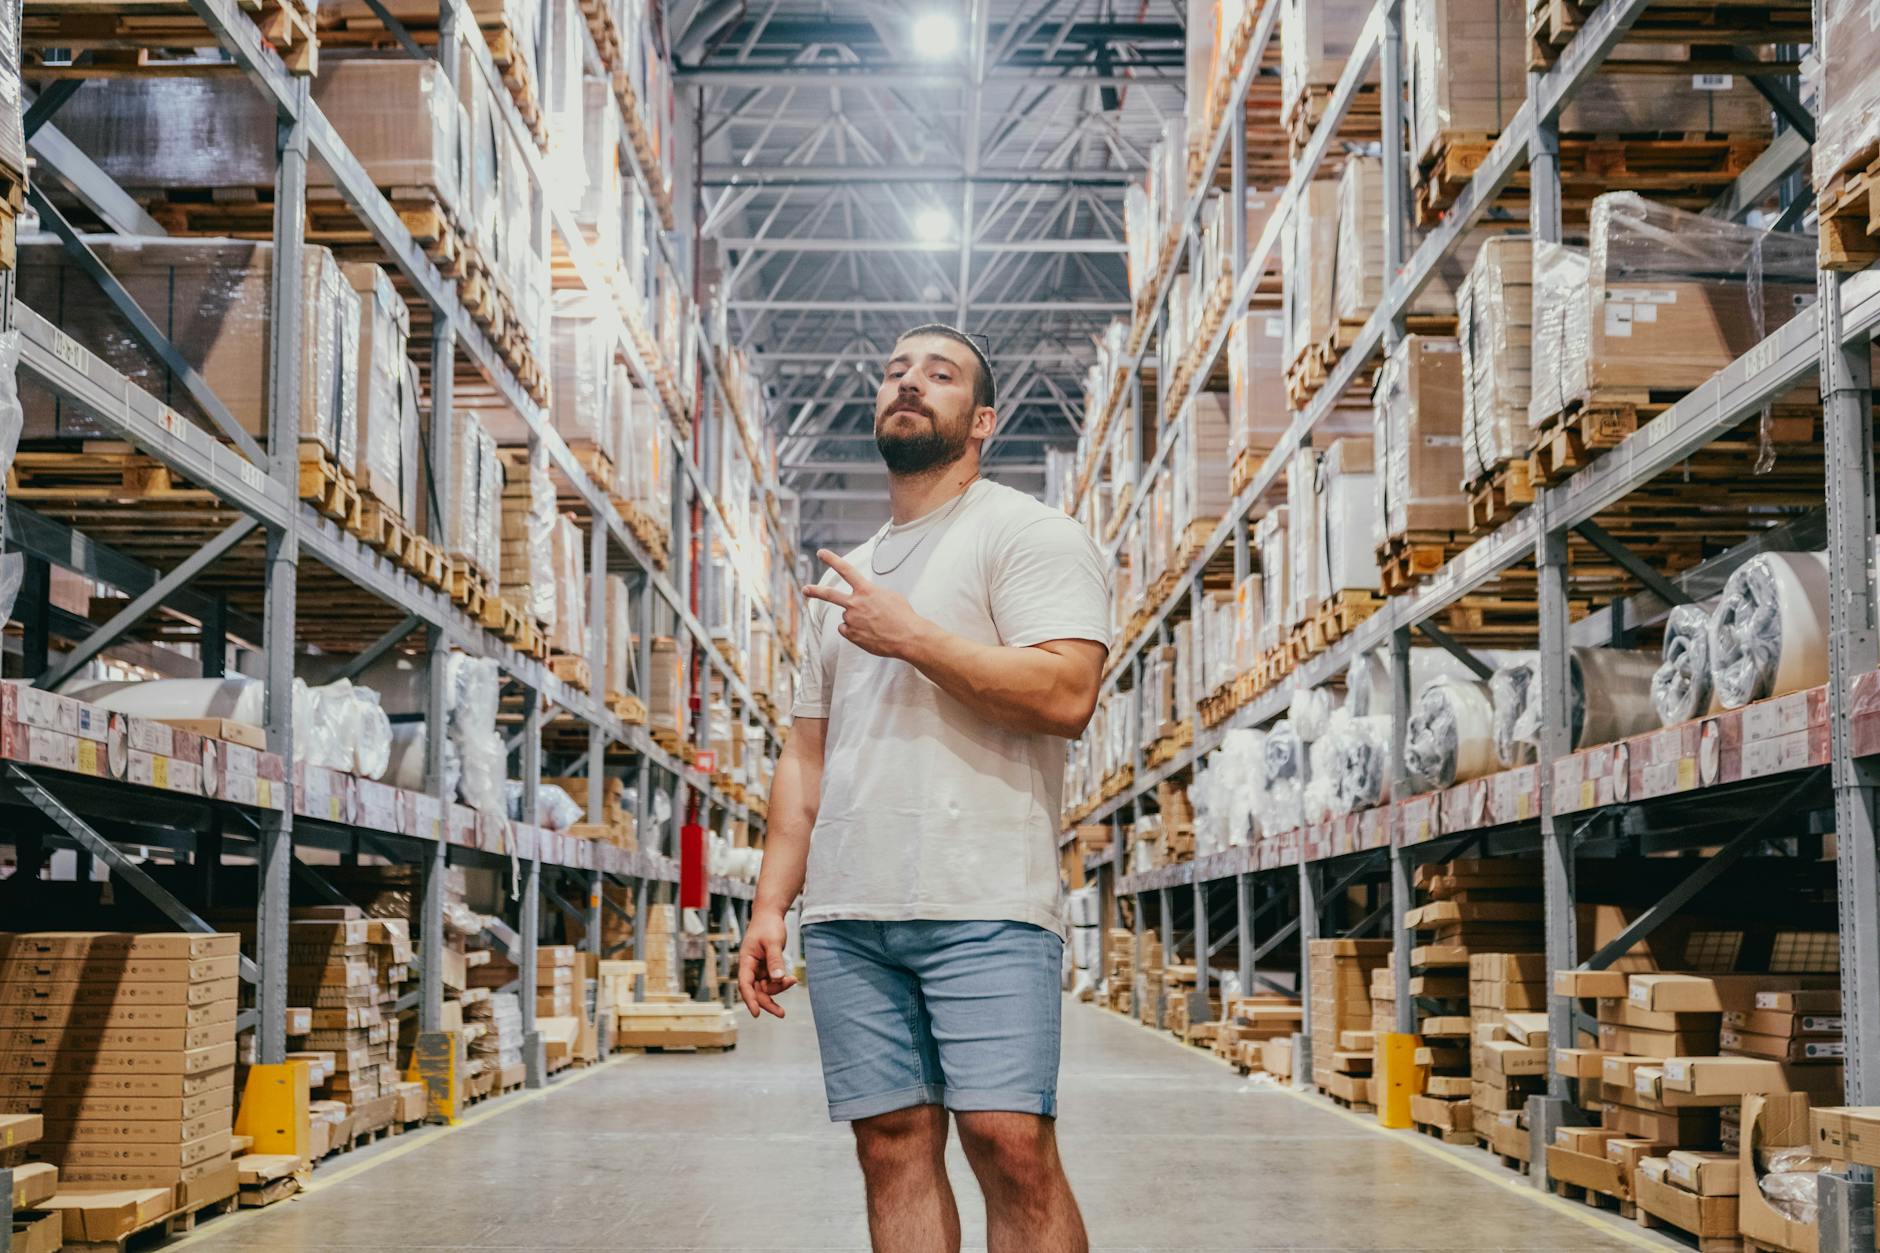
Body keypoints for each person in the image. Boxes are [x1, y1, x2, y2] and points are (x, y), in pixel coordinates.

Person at [737, 324, 1110, 1253]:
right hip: (851, 912)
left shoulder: (1028, 535)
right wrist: (771, 903)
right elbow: (806, 754)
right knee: (890, 1146)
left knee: (1011, 1144)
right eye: (896, 371)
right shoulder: (847, 577)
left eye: (939, 375)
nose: (911, 383)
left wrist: (913, 636)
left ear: (981, 419)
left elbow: (1066, 693)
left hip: (985, 897)